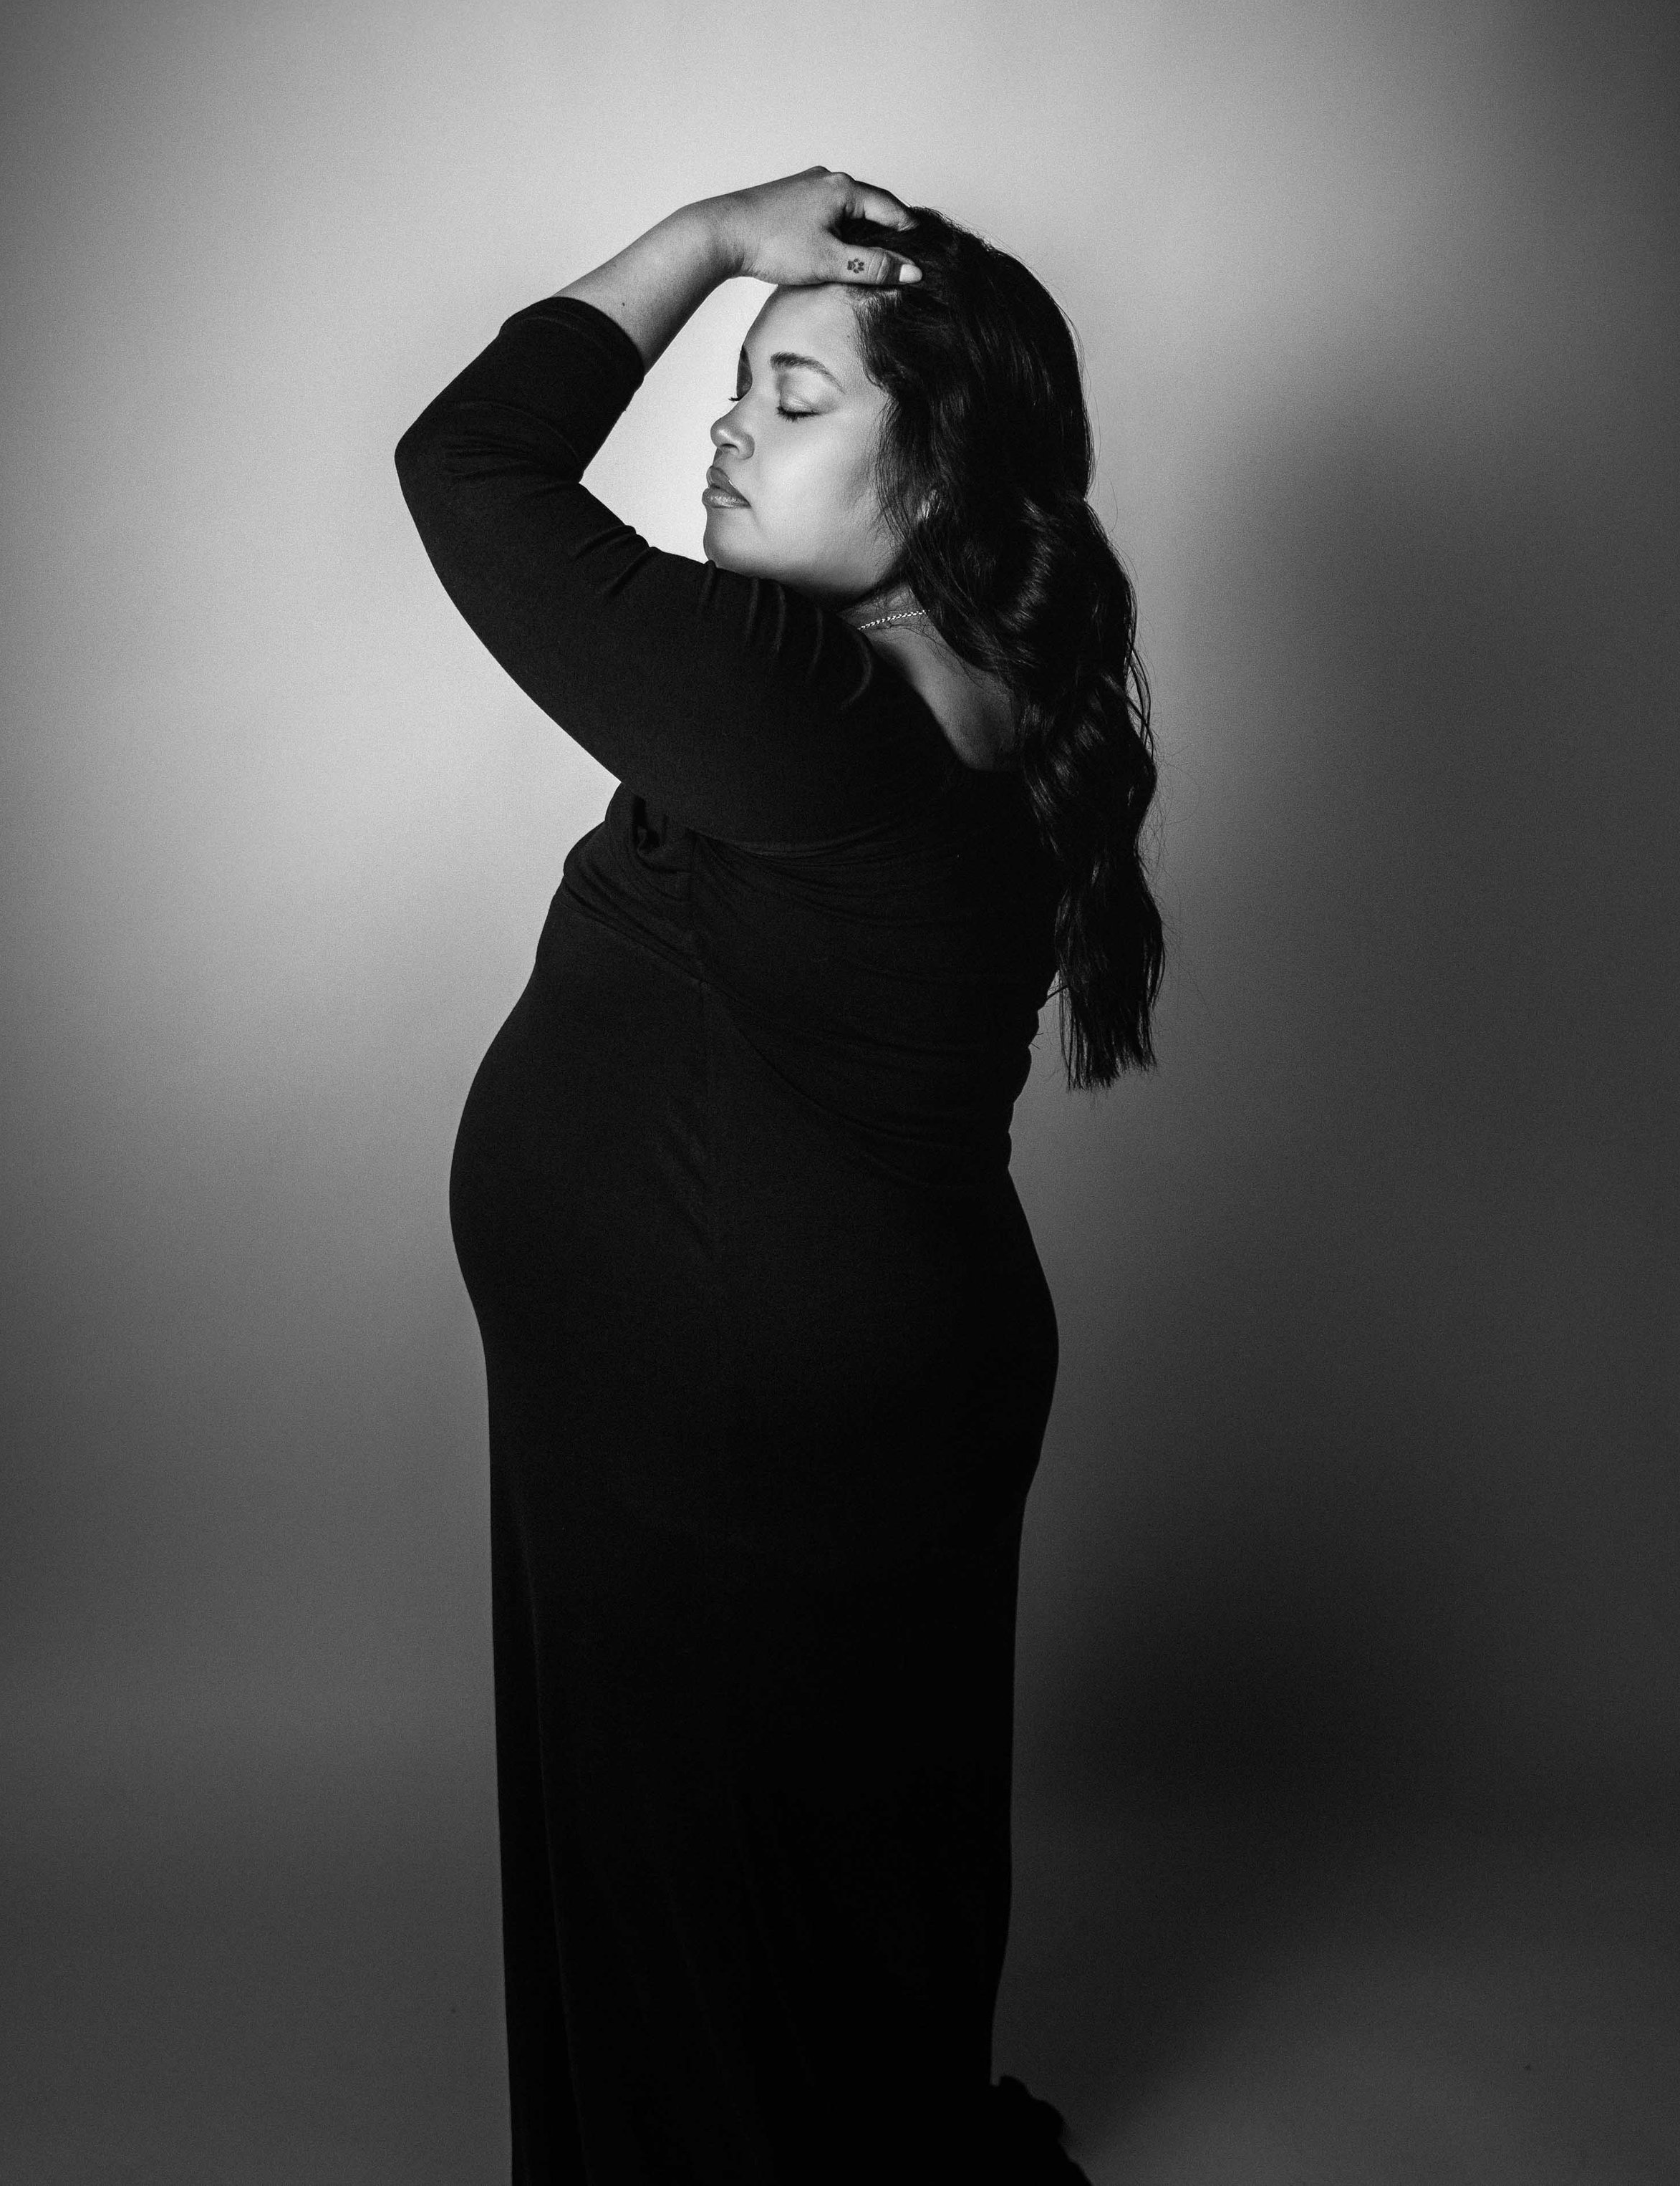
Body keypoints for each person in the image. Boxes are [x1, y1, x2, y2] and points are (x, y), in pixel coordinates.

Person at [395, 166, 1162, 2186]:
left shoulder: (804, 712)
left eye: (794, 398)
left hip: (738, 1401)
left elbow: (467, 469)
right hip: (808, 1380)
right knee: (819, 1868)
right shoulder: (941, 685)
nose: (729, 426)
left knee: (702, 1898)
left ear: (942, 479)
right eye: (741, 380)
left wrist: (713, 238)